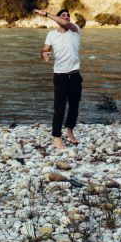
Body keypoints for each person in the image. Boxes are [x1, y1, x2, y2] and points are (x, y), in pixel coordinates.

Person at [33, 8, 82, 151]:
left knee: (74, 106)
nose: (66, 17)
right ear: (58, 18)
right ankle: (56, 138)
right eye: (63, 15)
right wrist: (44, 55)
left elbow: (67, 24)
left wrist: (47, 14)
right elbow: (44, 50)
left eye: (68, 15)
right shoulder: (52, 35)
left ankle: (70, 129)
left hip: (75, 75)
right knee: (59, 108)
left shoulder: (75, 30)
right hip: (60, 76)